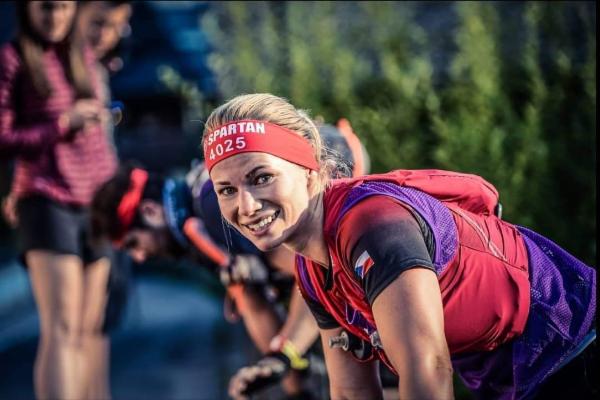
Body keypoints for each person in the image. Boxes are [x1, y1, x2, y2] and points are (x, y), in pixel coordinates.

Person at [202, 93, 597, 400]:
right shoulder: (312, 267)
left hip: (573, 343)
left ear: (309, 171)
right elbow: (352, 390)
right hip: (512, 372)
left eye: (262, 178)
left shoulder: (373, 226)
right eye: (227, 190)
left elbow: (427, 369)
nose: (246, 206)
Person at [91, 121, 369, 398]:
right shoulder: (195, 216)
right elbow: (255, 300)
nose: (139, 257)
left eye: (133, 243)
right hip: (335, 147)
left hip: (340, 160)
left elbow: (314, 270)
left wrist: (284, 355)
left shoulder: (212, 209)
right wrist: (287, 374)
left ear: (151, 212)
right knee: (243, 284)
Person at [0, 2, 118, 399]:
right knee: (62, 330)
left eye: (64, 7)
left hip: (95, 203)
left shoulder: (82, 56)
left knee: (87, 331)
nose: (55, 17)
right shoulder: (12, 59)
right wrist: (63, 124)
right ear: (27, 9)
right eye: (46, 8)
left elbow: (99, 141)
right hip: (47, 199)